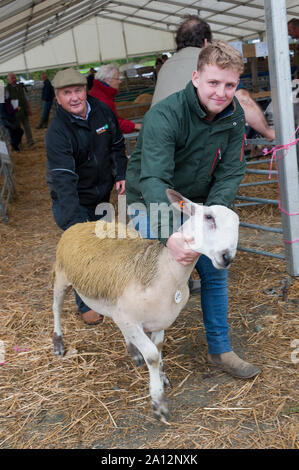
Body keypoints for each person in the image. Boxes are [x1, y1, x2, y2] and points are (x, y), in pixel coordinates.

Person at [126, 41, 261, 380]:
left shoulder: (234, 117)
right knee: (153, 268)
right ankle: (137, 332)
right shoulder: (165, 115)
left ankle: (220, 348)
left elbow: (231, 170)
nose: (221, 92)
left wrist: (210, 215)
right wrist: (169, 233)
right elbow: (154, 178)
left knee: (214, 270)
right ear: (196, 77)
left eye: (230, 85)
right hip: (150, 198)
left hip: (199, 204)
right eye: (214, 83)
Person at [45, 68, 127, 325]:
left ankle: (103, 293)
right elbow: (63, 178)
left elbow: (116, 145)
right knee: (83, 251)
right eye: (66, 93)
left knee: (104, 245)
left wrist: (120, 173)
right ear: (57, 98)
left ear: (86, 90)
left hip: (101, 193)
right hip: (73, 198)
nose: (74, 97)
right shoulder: (57, 132)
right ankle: (86, 304)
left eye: (78, 90)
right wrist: (73, 227)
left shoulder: (102, 111)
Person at [151, 15, 275, 143]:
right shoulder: (208, 62)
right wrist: (269, 132)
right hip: (189, 146)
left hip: (156, 143)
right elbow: (243, 102)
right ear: (206, 43)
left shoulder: (166, 66)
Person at [89, 64, 142, 134]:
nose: (120, 81)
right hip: (98, 137)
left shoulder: (100, 93)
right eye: (117, 79)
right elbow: (109, 124)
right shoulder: (101, 99)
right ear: (107, 80)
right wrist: (134, 126)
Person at [6, 72, 34, 147]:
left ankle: (30, 142)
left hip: (24, 111)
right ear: (8, 80)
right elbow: (6, 102)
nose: (14, 79)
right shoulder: (7, 89)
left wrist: (29, 108)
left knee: (27, 127)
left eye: (15, 77)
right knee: (17, 130)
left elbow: (26, 98)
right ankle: (19, 144)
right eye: (12, 78)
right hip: (15, 113)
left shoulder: (20, 86)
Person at [0, 87, 24, 151]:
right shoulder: (4, 100)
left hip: (7, 120)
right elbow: (10, 111)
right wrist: (17, 109)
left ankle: (15, 147)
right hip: (9, 120)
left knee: (15, 134)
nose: (6, 92)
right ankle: (15, 147)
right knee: (16, 133)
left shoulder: (4, 99)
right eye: (5, 91)